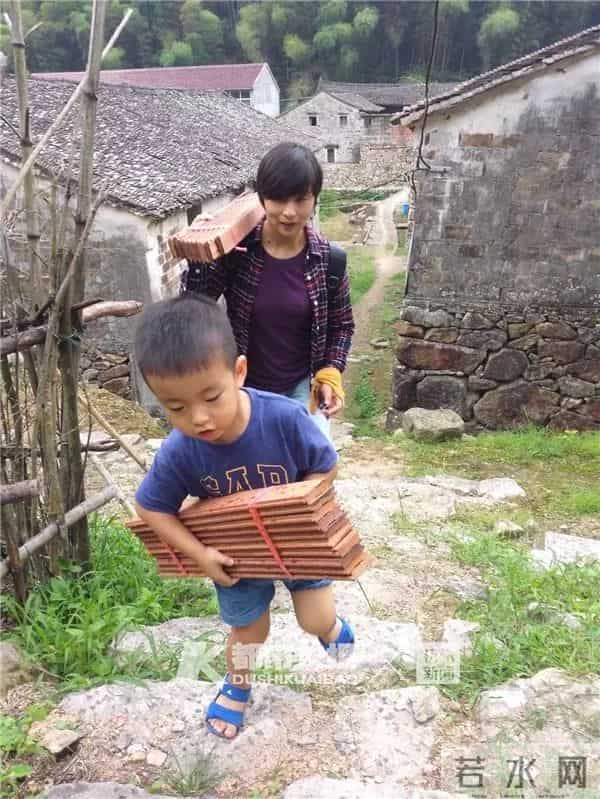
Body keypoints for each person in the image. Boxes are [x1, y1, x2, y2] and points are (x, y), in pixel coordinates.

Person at [133, 294, 355, 741]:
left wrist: (295, 504)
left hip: (297, 541)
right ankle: (237, 687)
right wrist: (201, 555)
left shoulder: (285, 418)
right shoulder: (181, 451)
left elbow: (325, 465)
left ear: (238, 372)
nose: (198, 418)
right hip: (236, 558)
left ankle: (330, 629)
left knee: (314, 619)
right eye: (175, 408)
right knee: (248, 632)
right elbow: (150, 506)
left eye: (211, 397)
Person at [181, 141, 354, 437]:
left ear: (314, 200)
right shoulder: (238, 252)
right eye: (278, 199)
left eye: (301, 200)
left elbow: (342, 325)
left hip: (300, 390)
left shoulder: (329, 261)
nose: (289, 212)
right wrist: (200, 255)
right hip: (242, 391)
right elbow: (194, 309)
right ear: (263, 198)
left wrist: (330, 372)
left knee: (314, 469)